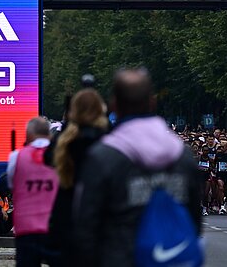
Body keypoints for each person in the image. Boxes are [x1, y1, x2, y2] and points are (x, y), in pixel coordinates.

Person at [71, 69, 201, 267]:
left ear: (114, 105)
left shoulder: (102, 157)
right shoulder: (183, 155)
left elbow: (85, 227)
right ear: (152, 102)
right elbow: (195, 221)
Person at [48, 89, 107, 262]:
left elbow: (48, 159)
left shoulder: (62, 144)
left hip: (67, 227)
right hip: (100, 229)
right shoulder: (107, 141)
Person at [7, 117, 60, 267]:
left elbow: (12, 184)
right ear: (49, 134)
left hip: (26, 227)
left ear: (28, 135)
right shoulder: (60, 156)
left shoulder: (16, 156)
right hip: (54, 225)